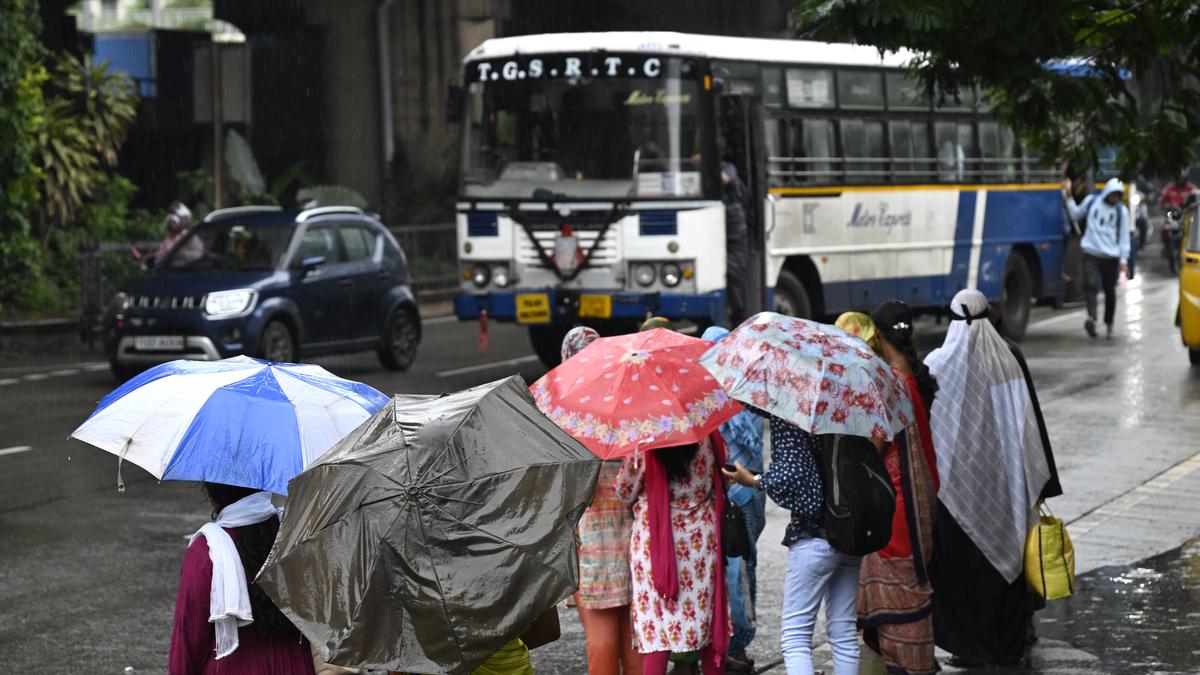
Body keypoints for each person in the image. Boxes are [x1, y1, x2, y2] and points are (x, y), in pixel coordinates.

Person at [924, 289, 1053, 667]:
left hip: (956, 488)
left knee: (964, 573)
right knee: (1005, 570)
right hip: (1005, 487)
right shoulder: (1007, 362)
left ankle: (971, 647)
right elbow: (1027, 431)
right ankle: (1009, 647)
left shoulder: (937, 362)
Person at [725, 420, 859, 675]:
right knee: (843, 633)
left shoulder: (793, 411)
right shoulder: (846, 405)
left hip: (813, 536)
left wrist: (754, 480)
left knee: (796, 636)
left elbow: (791, 475)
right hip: (850, 531)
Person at [850, 304, 941, 675]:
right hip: (922, 495)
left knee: (899, 598)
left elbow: (875, 445)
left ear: (878, 335)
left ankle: (907, 665)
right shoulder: (912, 375)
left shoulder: (890, 383)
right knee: (912, 587)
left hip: (895, 506)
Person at [169, 482, 316, 675]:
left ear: (213, 494)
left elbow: (188, 639)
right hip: (297, 665)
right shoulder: (296, 538)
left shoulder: (206, 552)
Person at [561, 327, 642, 675]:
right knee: (634, 638)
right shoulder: (633, 408)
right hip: (633, 545)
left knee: (601, 639)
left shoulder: (566, 417)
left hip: (590, 549)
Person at [615, 437, 730, 675]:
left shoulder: (643, 443)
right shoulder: (710, 437)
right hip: (700, 543)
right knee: (706, 619)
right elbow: (723, 475)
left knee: (656, 627)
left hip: (654, 543)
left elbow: (624, 492)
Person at [701, 326, 766, 675]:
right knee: (744, 573)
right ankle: (736, 647)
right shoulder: (750, 393)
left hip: (729, 500)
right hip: (752, 495)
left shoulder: (710, 399)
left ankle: (732, 646)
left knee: (730, 576)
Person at [1062, 177, 1130, 339]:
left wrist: (1123, 261)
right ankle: (1091, 318)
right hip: (1091, 252)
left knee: (1109, 292)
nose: (1115, 199)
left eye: (1118, 196)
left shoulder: (1122, 211)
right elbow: (1076, 214)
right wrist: (1069, 197)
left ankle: (1109, 324)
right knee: (1091, 285)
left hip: (1110, 256)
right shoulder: (1092, 202)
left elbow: (1123, 239)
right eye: (1113, 195)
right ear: (1107, 192)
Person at [721, 163, 750, 327]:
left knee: (735, 274)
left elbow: (726, 178)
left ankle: (739, 318)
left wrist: (705, 169)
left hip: (735, 233)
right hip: (721, 231)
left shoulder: (726, 167)